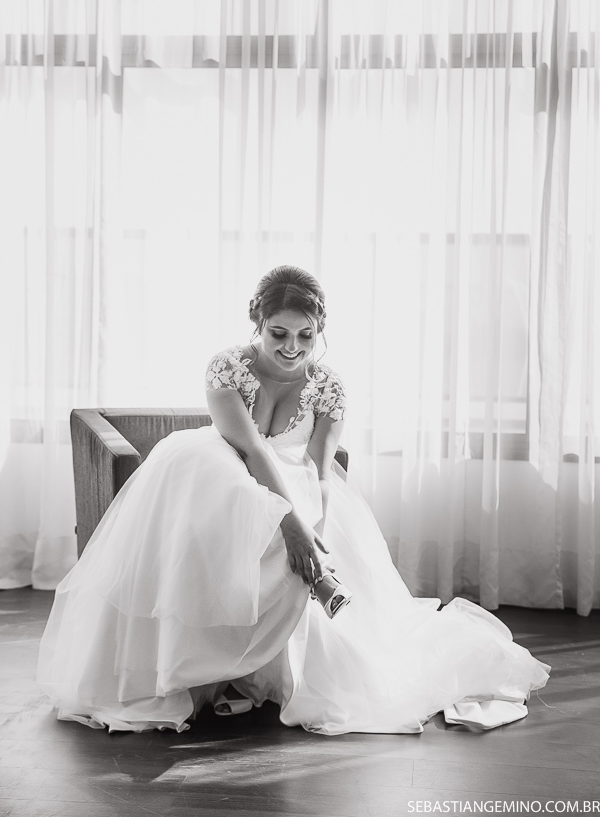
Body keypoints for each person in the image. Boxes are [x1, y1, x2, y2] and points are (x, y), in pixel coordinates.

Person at [37, 265, 550, 734]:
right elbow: (251, 448)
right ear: (257, 324)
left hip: (293, 479)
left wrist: (315, 521)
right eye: (278, 333)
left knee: (301, 502)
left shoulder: (327, 387)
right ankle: (297, 596)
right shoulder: (227, 368)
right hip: (222, 469)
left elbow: (322, 471)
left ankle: (300, 605)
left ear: (319, 331)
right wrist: (291, 524)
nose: (292, 347)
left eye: (306, 335)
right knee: (226, 477)